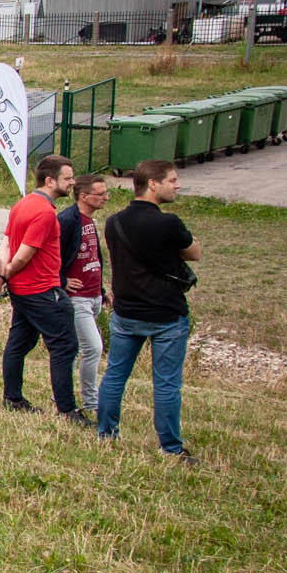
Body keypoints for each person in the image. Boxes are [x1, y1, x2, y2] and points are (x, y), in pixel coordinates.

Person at [97, 160, 200, 461]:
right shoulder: (168, 223)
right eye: (172, 180)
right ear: (152, 184)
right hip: (166, 314)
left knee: (115, 375)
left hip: (127, 312)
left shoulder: (114, 222)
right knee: (166, 384)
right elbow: (195, 252)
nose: (177, 185)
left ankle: (105, 434)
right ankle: (170, 447)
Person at [0, 154, 85, 422]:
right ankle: (67, 409)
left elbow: (6, 241)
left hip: (22, 291)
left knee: (19, 343)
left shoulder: (22, 204)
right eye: (67, 178)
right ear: (50, 180)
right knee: (64, 347)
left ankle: (12, 397)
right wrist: (9, 270)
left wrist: (4, 274)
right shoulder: (45, 212)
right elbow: (25, 253)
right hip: (42, 290)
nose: (72, 183)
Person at [57, 171, 111, 416]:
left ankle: (62, 391)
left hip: (93, 294)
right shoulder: (67, 220)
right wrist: (61, 280)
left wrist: (101, 289)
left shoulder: (91, 222)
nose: (106, 198)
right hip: (76, 298)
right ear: (84, 196)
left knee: (77, 349)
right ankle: (91, 402)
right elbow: (50, 256)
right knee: (93, 348)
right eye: (101, 194)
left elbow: (93, 256)